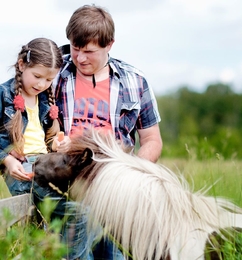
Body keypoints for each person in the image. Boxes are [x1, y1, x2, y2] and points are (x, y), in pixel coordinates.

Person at [51, 4, 163, 259]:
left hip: (115, 188)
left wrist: (128, 173)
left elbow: (152, 140)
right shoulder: (55, 75)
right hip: (67, 182)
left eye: (89, 51)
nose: (80, 58)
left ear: (109, 44)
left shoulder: (135, 81)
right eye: (75, 48)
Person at [0, 37, 63, 193]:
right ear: (22, 65)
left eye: (49, 79)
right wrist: (7, 160)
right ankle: (83, 217)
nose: (42, 84)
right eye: (37, 76)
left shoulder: (44, 101)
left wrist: (55, 144)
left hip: (45, 160)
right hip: (22, 164)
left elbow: (44, 140)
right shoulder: (4, 95)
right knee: (50, 192)